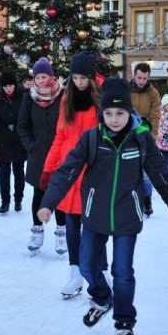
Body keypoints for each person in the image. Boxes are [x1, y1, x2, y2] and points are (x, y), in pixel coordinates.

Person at [39, 77, 168, 335]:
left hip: (126, 217)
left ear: (128, 112)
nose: (114, 119)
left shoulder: (140, 139)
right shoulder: (91, 138)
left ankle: (124, 322)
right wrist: (48, 203)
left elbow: (162, 176)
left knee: (122, 272)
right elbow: (67, 171)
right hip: (95, 214)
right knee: (86, 266)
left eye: (119, 113)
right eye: (108, 113)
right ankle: (101, 298)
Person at [41, 52, 102, 298]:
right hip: (69, 170)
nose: (78, 82)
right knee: (72, 225)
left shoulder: (101, 101)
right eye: (74, 77)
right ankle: (75, 272)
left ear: (91, 77)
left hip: (93, 170)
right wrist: (48, 168)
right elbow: (61, 136)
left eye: (82, 77)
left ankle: (99, 271)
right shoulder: (66, 99)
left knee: (95, 226)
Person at [17, 57, 66, 257]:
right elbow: (22, 126)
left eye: (45, 76)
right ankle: (37, 230)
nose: (41, 80)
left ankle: (62, 231)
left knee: (60, 193)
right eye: (38, 76)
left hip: (59, 154)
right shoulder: (30, 97)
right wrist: (31, 146)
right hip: (38, 156)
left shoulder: (62, 96)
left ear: (51, 76)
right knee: (39, 193)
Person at [0, 71, 27, 214]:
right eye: (5, 86)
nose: (9, 88)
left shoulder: (23, 97)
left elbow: (28, 117)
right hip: (2, 136)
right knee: (4, 171)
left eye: (11, 85)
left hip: (18, 136)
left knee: (19, 170)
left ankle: (18, 199)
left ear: (15, 85)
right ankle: (5, 201)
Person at [129, 62, 161, 216]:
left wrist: (153, 134)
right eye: (139, 77)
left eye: (144, 78)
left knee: (146, 170)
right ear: (134, 76)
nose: (141, 81)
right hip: (129, 133)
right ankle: (129, 200)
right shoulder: (126, 90)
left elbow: (155, 114)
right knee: (129, 169)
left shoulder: (153, 93)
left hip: (145, 133)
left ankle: (147, 200)